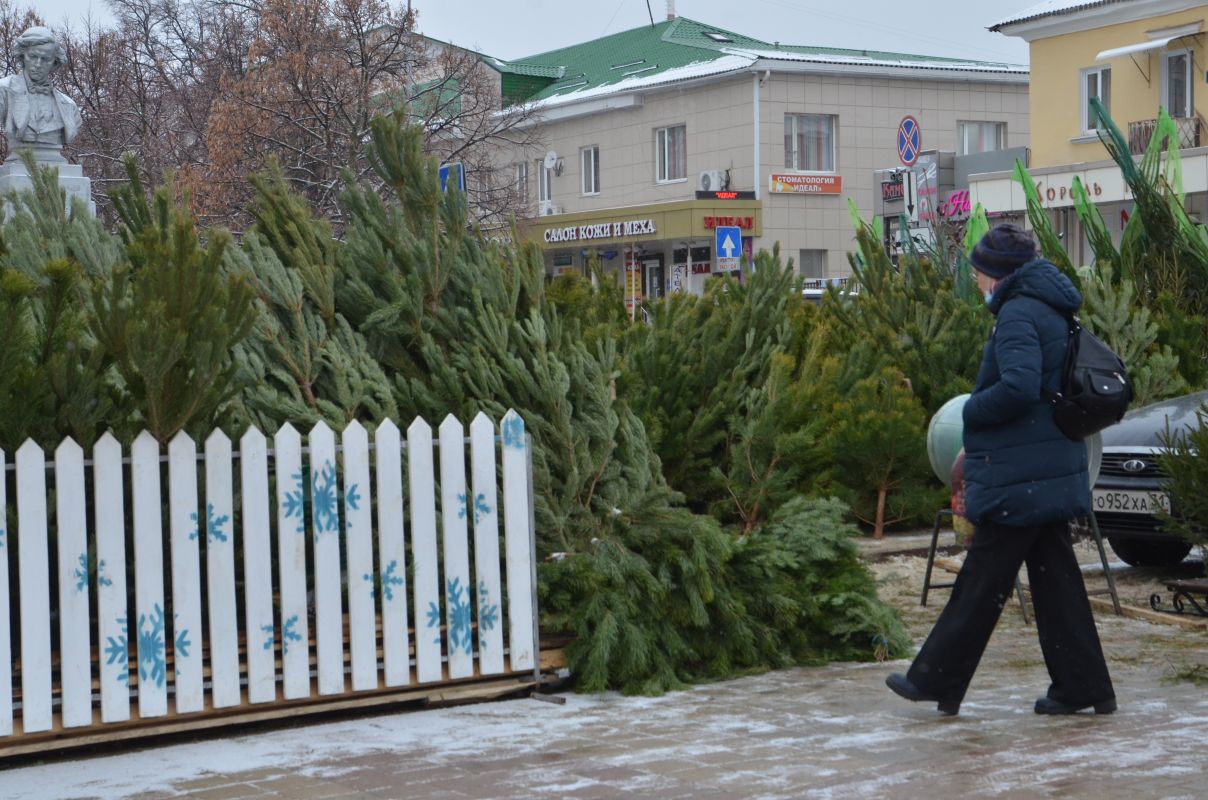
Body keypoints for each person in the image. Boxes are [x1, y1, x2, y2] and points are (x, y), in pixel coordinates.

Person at [886, 223, 1116, 716]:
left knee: (981, 581)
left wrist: (970, 410)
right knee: (1057, 585)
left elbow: (1018, 386)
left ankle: (935, 679)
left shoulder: (1017, 312)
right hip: (1045, 468)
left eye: (978, 273)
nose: (976, 281)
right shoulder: (1050, 306)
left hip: (1021, 474)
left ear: (998, 273)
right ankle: (1085, 687)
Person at [0, 26, 83, 161]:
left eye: (45, 59)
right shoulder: (4, 90)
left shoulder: (69, 106)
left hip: (55, 162)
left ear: (55, 62)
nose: (38, 64)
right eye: (33, 56)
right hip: (19, 161)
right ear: (22, 56)